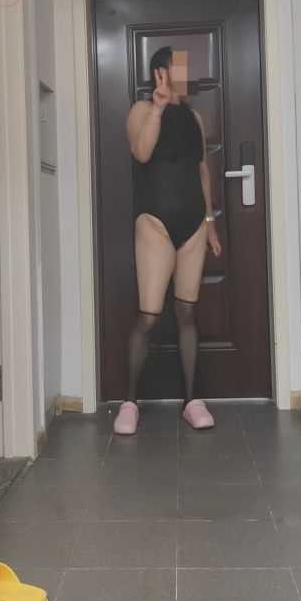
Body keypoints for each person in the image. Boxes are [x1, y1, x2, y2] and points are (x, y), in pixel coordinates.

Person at [113, 46, 222, 434]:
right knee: (149, 316)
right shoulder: (141, 111)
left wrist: (209, 222)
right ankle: (129, 403)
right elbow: (141, 153)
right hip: (154, 224)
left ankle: (192, 402)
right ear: (161, 72)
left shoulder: (194, 117)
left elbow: (202, 170)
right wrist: (158, 110)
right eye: (182, 66)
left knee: (187, 313)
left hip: (193, 223)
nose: (190, 72)